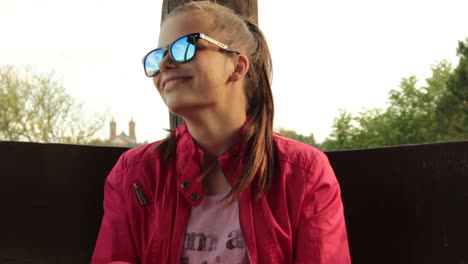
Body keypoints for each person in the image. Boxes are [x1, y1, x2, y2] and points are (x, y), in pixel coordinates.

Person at [92, 1, 351, 263]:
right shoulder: (132, 174)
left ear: (237, 66)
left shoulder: (303, 174)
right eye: (158, 56)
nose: (165, 64)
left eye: (186, 46)